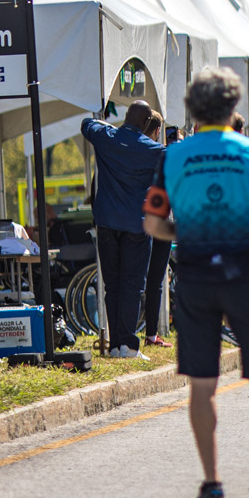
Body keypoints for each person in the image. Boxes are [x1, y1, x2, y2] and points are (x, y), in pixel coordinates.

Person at [142, 68, 249, 498]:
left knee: (202, 385)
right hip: (245, 276)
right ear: (234, 108)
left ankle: (212, 486)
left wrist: (188, 229)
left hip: (195, 278)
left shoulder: (172, 157)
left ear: (192, 110)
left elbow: (153, 224)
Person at [82, 100, 166, 358]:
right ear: (146, 124)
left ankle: (115, 344)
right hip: (136, 226)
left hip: (107, 222)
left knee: (113, 285)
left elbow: (87, 124)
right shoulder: (154, 150)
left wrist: (111, 128)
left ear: (127, 117)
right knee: (132, 285)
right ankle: (127, 345)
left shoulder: (106, 137)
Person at [138, 112, 173, 347]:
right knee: (156, 280)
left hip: (137, 219)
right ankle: (151, 333)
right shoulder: (164, 153)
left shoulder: (132, 152)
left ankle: (130, 331)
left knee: (134, 279)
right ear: (158, 131)